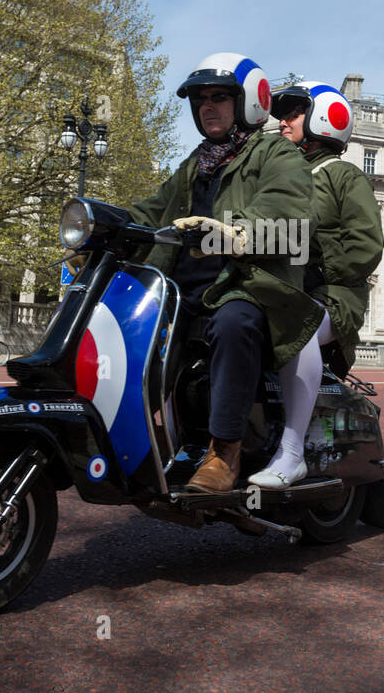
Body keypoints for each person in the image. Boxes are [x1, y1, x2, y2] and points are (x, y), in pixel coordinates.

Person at [129, 53, 320, 495]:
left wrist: (236, 233)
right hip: (179, 292)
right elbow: (151, 211)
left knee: (235, 321)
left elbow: (292, 217)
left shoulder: (275, 153)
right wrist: (101, 226)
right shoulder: (194, 164)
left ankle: (225, 451)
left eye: (219, 97)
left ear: (248, 102)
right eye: (200, 99)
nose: (207, 107)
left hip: (245, 286)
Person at [248, 81, 384, 487]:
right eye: (282, 114)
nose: (283, 121)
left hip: (332, 298)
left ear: (324, 118)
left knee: (298, 328)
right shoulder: (281, 176)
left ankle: (291, 453)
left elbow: (367, 245)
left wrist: (316, 263)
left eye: (293, 113)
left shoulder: (342, 176)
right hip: (283, 291)